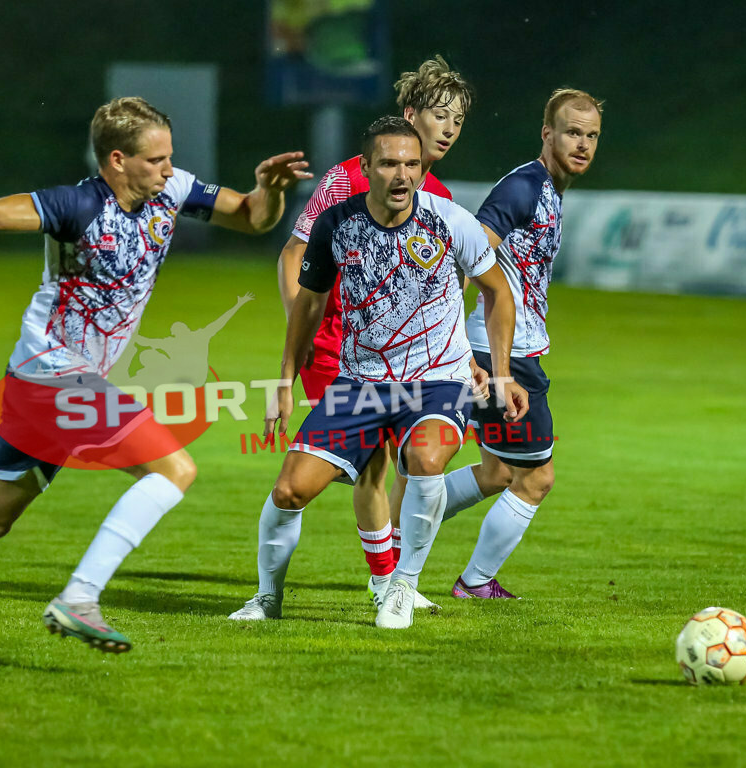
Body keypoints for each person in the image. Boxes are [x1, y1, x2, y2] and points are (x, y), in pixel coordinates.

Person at [0, 96, 311, 658]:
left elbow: (251, 217)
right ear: (118, 159)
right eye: (157, 160)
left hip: (48, 381)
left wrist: (269, 190)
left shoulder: (173, 192)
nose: (170, 169)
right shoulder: (75, 205)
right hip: (54, 375)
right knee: (175, 468)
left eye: (170, 157)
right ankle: (80, 597)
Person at [228, 117, 527, 629]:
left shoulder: (450, 221)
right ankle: (266, 599)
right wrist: (283, 380)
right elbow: (310, 304)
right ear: (365, 168)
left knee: (425, 458)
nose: (402, 175)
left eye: (411, 164)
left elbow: (498, 291)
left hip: (438, 380)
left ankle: (402, 586)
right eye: (389, 163)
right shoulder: (334, 225)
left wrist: (497, 373)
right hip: (360, 383)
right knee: (289, 492)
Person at [276, 55, 476, 609]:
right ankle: (385, 577)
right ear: (410, 115)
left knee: (415, 459)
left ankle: (393, 577)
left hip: (413, 360)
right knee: (372, 462)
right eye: (439, 116)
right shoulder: (348, 177)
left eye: (458, 121)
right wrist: (305, 329)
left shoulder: (438, 197)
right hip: (343, 346)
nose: (449, 130)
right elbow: (294, 251)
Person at [441, 88, 603, 599]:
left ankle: (396, 525)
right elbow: (468, 256)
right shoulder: (524, 188)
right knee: (536, 479)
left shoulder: (548, 189)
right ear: (547, 133)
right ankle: (475, 582)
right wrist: (456, 344)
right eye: (572, 132)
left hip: (492, 348)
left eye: (591, 135)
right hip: (500, 354)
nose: (582, 144)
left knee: (497, 471)